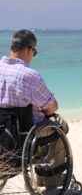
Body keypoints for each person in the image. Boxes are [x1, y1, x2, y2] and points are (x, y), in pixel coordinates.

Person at [0, 29, 65, 190]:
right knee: (60, 127)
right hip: (23, 133)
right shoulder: (29, 75)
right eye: (34, 52)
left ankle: (43, 174)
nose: (33, 56)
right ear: (29, 49)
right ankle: (49, 179)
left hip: (3, 130)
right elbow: (51, 106)